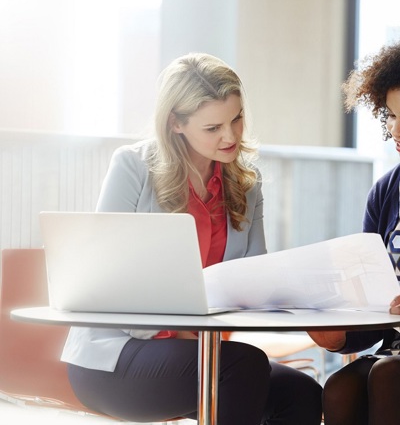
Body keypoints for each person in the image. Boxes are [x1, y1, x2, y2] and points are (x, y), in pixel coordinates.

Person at [60, 53, 322, 424]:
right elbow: (101, 273)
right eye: (213, 128)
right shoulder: (133, 167)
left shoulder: (247, 185)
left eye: (237, 118)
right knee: (244, 366)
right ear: (176, 124)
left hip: (205, 355)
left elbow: (255, 276)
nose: (230, 136)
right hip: (115, 356)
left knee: (301, 392)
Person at [308, 42, 400, 425]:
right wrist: (341, 335)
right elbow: (375, 305)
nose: (396, 129)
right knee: (340, 386)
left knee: (387, 376)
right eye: (393, 115)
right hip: (394, 351)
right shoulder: (387, 190)